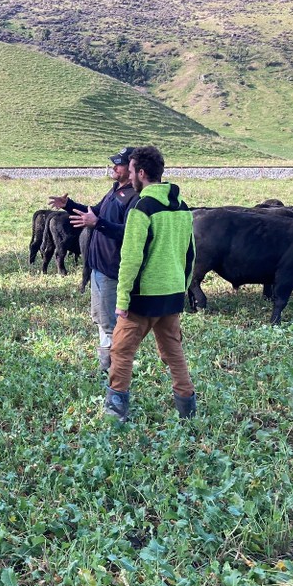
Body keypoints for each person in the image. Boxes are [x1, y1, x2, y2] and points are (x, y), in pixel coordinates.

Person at [105, 145, 196, 422]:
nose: (129, 176)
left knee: (121, 352)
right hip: (172, 296)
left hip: (142, 299)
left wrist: (122, 300)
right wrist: (182, 287)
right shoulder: (182, 206)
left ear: (141, 173)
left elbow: (130, 259)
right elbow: (190, 254)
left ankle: (115, 414)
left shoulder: (141, 207)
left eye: (131, 171)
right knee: (174, 352)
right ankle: (188, 411)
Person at [49, 147, 138, 371]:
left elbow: (128, 232)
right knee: (99, 317)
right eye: (114, 163)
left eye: (119, 164)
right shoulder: (116, 189)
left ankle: (117, 371)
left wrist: (96, 223)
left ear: (132, 168)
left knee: (111, 323)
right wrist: (68, 205)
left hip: (112, 268)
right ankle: (105, 366)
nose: (114, 167)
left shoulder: (135, 197)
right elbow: (95, 211)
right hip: (98, 266)